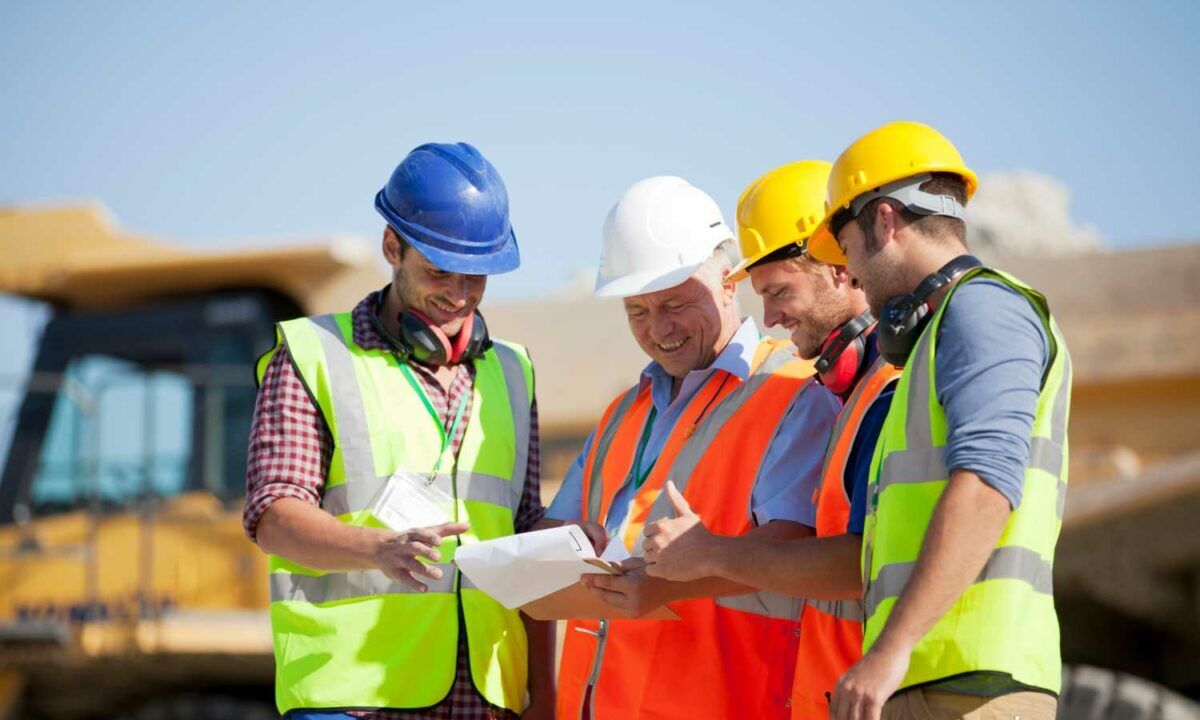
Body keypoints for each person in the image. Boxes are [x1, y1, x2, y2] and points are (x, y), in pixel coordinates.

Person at [243, 142, 554, 720]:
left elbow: (527, 538)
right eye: (439, 271)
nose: (459, 296)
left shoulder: (513, 372)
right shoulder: (315, 355)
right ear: (393, 246)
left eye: (477, 277)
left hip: (487, 698)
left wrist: (545, 696)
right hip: (353, 698)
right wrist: (380, 549)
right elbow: (274, 517)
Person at [540, 175, 840, 720]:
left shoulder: (795, 392)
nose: (659, 329)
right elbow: (556, 528)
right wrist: (551, 545)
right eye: (637, 311)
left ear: (729, 282)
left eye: (676, 303)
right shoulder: (623, 413)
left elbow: (796, 550)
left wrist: (664, 584)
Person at [811, 121, 1071, 720]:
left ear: (883, 221)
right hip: (940, 680)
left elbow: (985, 484)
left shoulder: (984, 309)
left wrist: (891, 650)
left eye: (846, 246)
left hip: (971, 682)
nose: (848, 271)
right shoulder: (936, 336)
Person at [641, 160, 900, 719]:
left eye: (780, 291)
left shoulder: (888, 392)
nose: (770, 316)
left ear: (840, 268)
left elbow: (859, 564)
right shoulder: (848, 395)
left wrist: (708, 553)